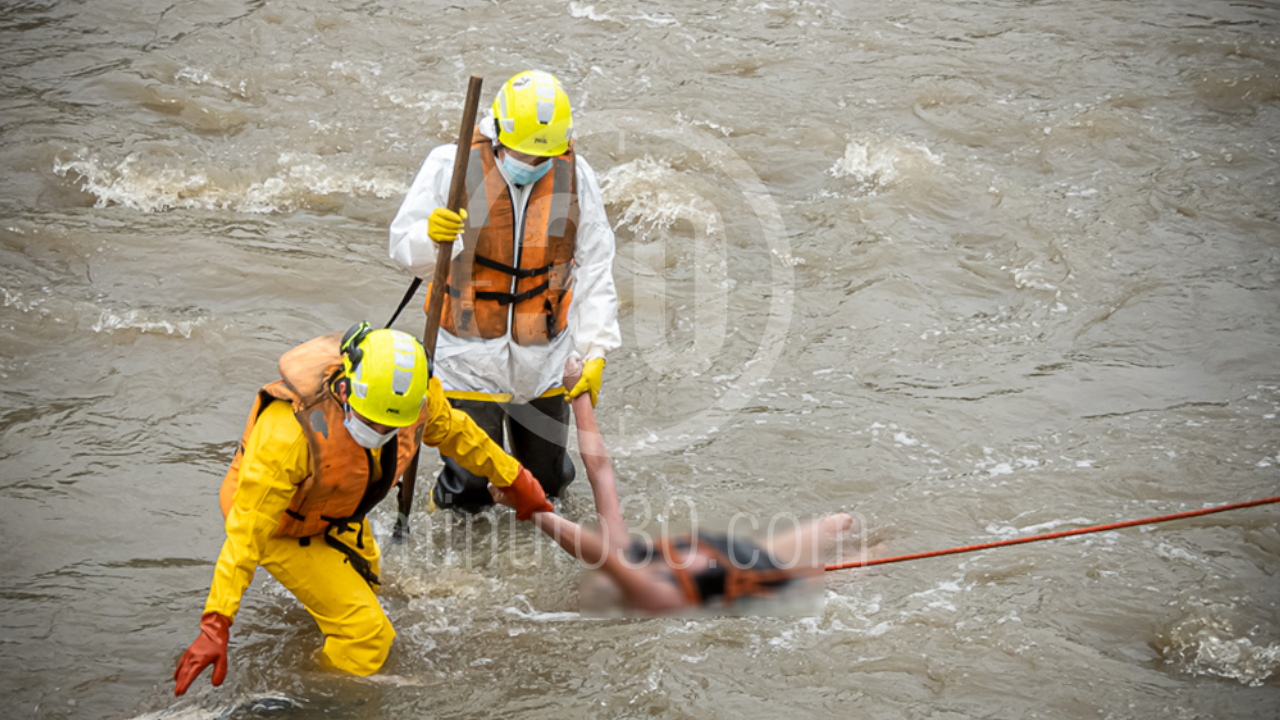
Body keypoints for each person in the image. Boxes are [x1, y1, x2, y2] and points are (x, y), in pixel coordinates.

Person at [173, 323, 553, 695]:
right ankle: (304, 692)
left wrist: (515, 478)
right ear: (345, 388)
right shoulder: (288, 436)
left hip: (338, 510)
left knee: (371, 586)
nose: (380, 433)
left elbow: (458, 433)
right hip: (280, 528)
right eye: (371, 421)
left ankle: (316, 644)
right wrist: (216, 624)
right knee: (369, 635)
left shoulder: (417, 400)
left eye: (391, 426)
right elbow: (245, 536)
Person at [389, 69, 620, 514]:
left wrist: (596, 349)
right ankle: (456, 526)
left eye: (544, 157)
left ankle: (539, 542)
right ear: (497, 134)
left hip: (544, 354)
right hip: (465, 355)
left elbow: (596, 264)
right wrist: (432, 237)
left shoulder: (577, 176)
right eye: (523, 155)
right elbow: (403, 246)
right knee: (472, 485)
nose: (532, 166)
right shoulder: (449, 165)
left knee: (548, 481)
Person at [490, 361, 860, 614]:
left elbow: (596, 526)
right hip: (728, 565)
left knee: (835, 544)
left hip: (726, 567)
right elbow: (599, 473)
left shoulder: (646, 590)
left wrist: (530, 505)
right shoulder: (640, 576)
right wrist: (579, 397)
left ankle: (847, 551)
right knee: (835, 536)